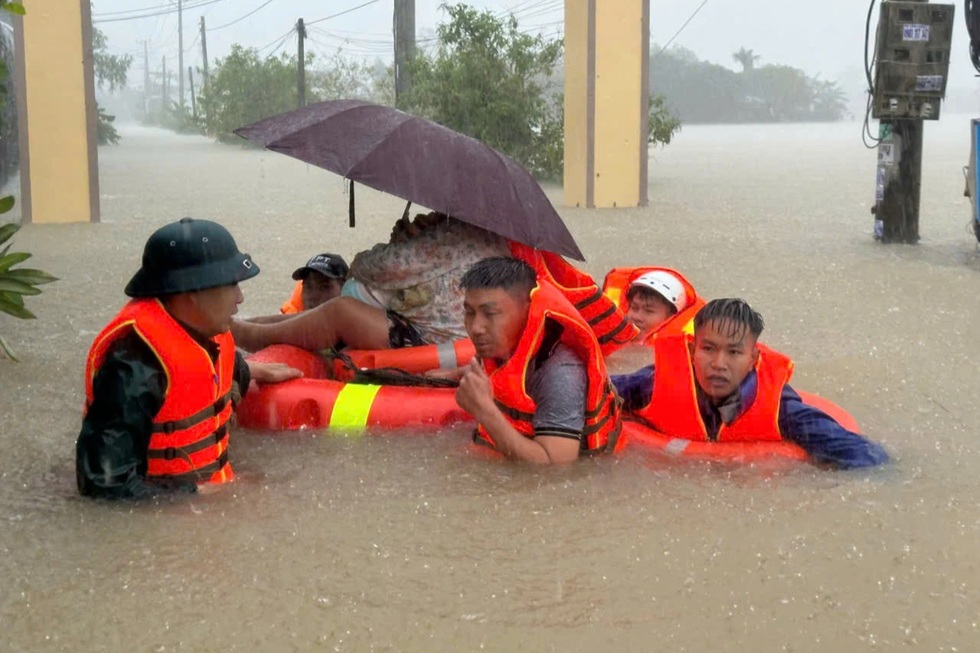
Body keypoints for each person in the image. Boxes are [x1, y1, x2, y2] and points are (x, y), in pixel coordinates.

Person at [76, 218, 301, 499]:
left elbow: (206, 375)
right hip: (167, 521)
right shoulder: (133, 368)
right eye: (231, 284)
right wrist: (201, 493)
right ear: (191, 291)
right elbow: (103, 485)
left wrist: (250, 370)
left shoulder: (209, 330)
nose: (240, 297)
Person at [612, 298, 889, 469]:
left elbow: (859, 454)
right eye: (708, 349)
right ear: (692, 349)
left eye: (734, 352)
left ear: (753, 358)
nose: (719, 363)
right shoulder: (654, 383)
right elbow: (596, 388)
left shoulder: (779, 407)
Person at [231, 212, 511, 353]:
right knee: (324, 312)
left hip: (432, 338)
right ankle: (247, 323)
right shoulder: (495, 237)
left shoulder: (448, 239)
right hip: (454, 333)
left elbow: (368, 267)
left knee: (340, 311)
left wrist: (403, 240)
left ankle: (248, 336)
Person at [454, 256, 622, 464]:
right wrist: (448, 375)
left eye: (490, 313)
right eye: (469, 313)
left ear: (528, 310)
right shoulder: (498, 344)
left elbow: (556, 467)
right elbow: (496, 372)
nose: (476, 327)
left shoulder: (560, 373)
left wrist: (485, 411)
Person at [601, 266, 705, 344]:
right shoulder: (604, 339)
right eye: (634, 307)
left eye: (648, 311)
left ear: (671, 317)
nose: (637, 317)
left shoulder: (678, 355)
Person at [246, 253, 349, 323]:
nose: (313, 296)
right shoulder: (288, 322)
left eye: (324, 287)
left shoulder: (359, 325)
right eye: (308, 287)